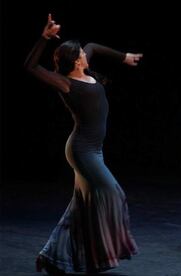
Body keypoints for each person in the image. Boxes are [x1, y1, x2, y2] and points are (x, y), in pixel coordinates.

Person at [24, 14, 143, 274]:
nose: (86, 53)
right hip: (82, 151)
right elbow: (31, 67)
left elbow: (95, 46)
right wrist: (44, 38)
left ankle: (51, 256)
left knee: (79, 209)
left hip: (93, 151)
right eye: (81, 53)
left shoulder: (85, 69)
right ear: (77, 60)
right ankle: (107, 251)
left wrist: (124, 57)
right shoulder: (66, 83)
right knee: (114, 193)